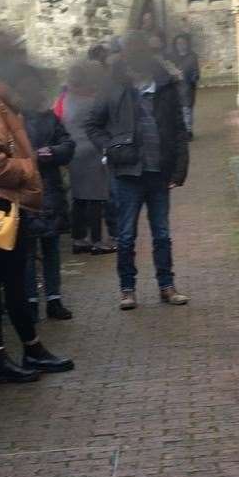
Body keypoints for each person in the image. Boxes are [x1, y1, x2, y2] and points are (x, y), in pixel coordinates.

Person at [0, 30, 75, 383]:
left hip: (7, 204)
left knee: (12, 280)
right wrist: (31, 169)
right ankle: (0, 359)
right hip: (0, 205)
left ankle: (29, 349)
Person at [85, 31, 190, 311]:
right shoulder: (113, 88)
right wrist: (110, 148)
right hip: (127, 173)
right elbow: (93, 125)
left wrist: (179, 171)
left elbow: (179, 129)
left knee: (162, 234)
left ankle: (167, 286)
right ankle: (127, 289)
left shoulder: (165, 87)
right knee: (127, 235)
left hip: (159, 172)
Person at [17, 67, 76, 322]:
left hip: (46, 189)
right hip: (30, 190)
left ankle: (50, 299)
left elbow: (68, 145)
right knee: (32, 251)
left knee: (46, 249)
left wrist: (51, 152)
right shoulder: (15, 121)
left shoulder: (48, 118)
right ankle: (34, 300)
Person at [61, 60, 114, 255]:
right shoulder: (92, 101)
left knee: (78, 198)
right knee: (95, 197)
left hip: (73, 151)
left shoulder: (66, 99)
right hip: (91, 150)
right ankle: (97, 240)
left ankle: (78, 238)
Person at [170, 32, 201, 138]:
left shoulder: (192, 56)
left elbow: (196, 71)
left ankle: (188, 130)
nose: (181, 45)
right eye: (178, 43)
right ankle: (180, 130)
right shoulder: (172, 57)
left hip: (188, 87)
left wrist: (193, 77)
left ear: (187, 44)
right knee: (178, 109)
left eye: (183, 43)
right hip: (176, 87)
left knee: (187, 109)